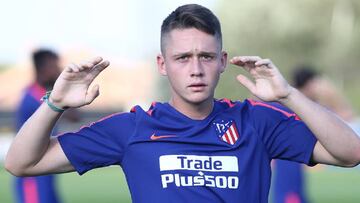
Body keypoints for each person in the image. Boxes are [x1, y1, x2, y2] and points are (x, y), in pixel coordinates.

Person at [5, 4, 360, 203]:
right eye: (182, 58)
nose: (195, 69)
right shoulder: (132, 128)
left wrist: (289, 95)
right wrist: (54, 105)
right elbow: (20, 163)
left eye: (206, 57)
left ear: (222, 61)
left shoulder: (257, 121)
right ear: (163, 64)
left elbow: (350, 153)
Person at [13, 49, 62, 203]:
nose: (59, 70)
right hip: (32, 175)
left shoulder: (47, 94)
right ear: (42, 69)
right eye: (55, 66)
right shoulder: (32, 97)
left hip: (46, 170)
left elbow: (75, 116)